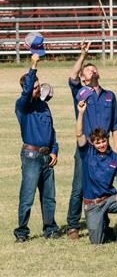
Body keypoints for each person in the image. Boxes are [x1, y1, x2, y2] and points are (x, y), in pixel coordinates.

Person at [66, 41, 117, 240]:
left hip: (105, 149)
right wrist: (83, 56)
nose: (92, 70)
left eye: (94, 68)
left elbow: (116, 125)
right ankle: (73, 225)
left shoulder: (109, 96)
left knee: (103, 187)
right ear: (83, 77)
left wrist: (115, 150)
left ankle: (103, 225)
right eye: (88, 70)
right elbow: (72, 77)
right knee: (80, 186)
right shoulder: (80, 93)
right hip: (86, 149)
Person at [75, 100, 117, 247]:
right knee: (97, 241)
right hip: (92, 204)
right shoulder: (87, 153)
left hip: (109, 199)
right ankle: (105, 228)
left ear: (107, 140)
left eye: (103, 141)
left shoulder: (116, 159)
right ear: (92, 143)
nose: (101, 144)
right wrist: (81, 114)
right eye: (98, 142)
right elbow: (79, 134)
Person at [15, 53, 60, 242]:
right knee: (27, 196)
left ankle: (50, 229)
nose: (37, 89)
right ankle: (22, 232)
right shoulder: (22, 105)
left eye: (38, 86)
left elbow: (52, 131)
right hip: (31, 156)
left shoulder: (44, 106)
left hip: (47, 157)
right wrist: (33, 65)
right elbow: (27, 93)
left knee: (49, 196)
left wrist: (54, 151)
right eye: (34, 87)